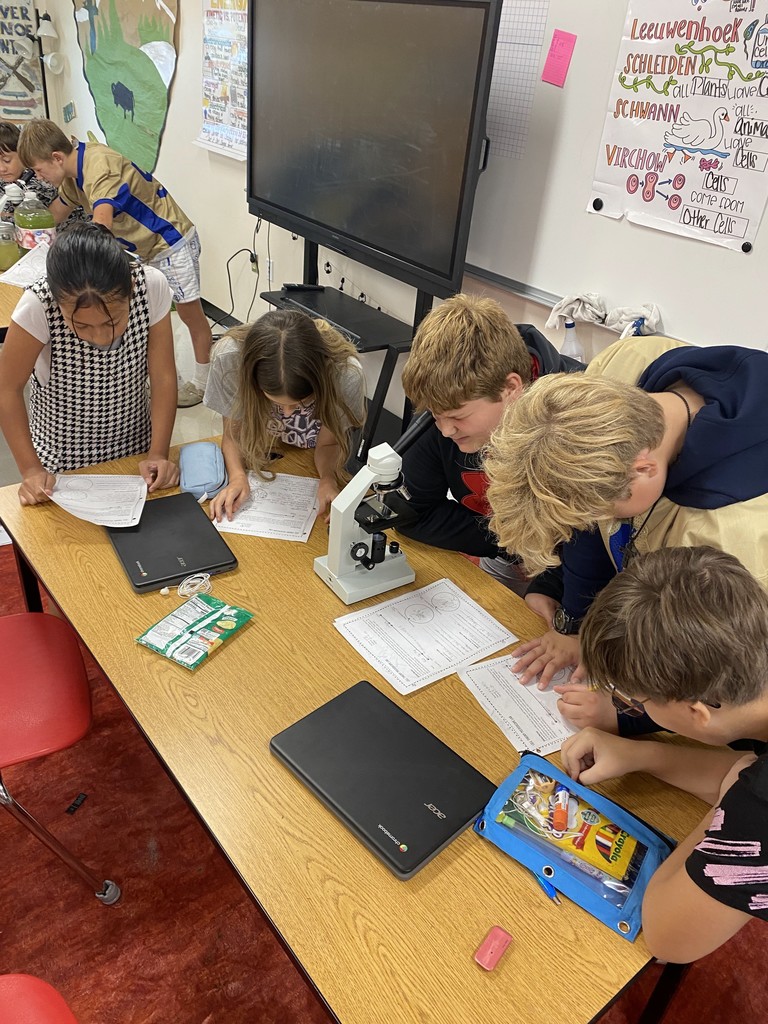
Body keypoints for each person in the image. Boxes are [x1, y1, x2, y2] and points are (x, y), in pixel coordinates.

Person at [483, 334, 768, 730]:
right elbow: (587, 530)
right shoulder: (621, 368)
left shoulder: (733, 542)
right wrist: (576, 623)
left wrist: (627, 715)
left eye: (598, 510)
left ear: (644, 469)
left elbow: (718, 682)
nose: (592, 522)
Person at [561, 545, 768, 963]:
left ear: (697, 712)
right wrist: (642, 755)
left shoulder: (759, 810)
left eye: (632, 702)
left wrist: (731, 799)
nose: (629, 709)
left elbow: (668, 936)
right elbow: (744, 769)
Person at [17, 118, 212, 407]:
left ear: (56, 158)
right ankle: (169, 380)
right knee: (148, 317)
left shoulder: (98, 166)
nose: (38, 176)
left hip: (170, 241)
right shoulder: (71, 177)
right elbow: (54, 214)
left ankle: (204, 382)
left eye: (38, 169)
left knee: (189, 314)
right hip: (143, 249)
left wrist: (78, 266)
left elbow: (102, 225)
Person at [398, 294, 582, 594]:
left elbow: (593, 536)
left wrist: (550, 589)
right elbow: (411, 512)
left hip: (575, 570)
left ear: (511, 388)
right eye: (435, 414)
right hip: (507, 550)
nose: (444, 430)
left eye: (457, 416)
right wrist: (508, 543)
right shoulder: (449, 399)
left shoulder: (578, 420)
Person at [0, 222, 179, 506]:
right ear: (58, 302)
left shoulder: (150, 285)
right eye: (81, 326)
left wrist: (158, 453)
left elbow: (164, 376)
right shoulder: (38, 305)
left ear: (130, 288)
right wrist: (31, 469)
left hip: (136, 453)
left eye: (113, 321)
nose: (101, 336)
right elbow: (7, 389)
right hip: (61, 464)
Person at [203, 309, 366, 521]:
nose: (287, 413)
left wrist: (328, 478)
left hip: (309, 457)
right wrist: (237, 476)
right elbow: (234, 434)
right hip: (266, 449)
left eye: (302, 403)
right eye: (276, 402)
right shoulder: (229, 359)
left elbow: (328, 444)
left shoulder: (345, 375)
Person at [0, 121, 86, 226]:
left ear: (22, 155)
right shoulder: (5, 181)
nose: (1, 168)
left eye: (7, 160)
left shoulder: (41, 179)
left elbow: (29, 222)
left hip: (71, 235)